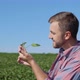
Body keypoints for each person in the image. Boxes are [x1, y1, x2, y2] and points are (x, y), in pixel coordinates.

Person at [17, 11, 80, 80]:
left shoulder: (77, 60)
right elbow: (51, 78)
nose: (49, 36)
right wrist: (31, 64)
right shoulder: (63, 52)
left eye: (53, 33)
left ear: (67, 35)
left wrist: (32, 61)